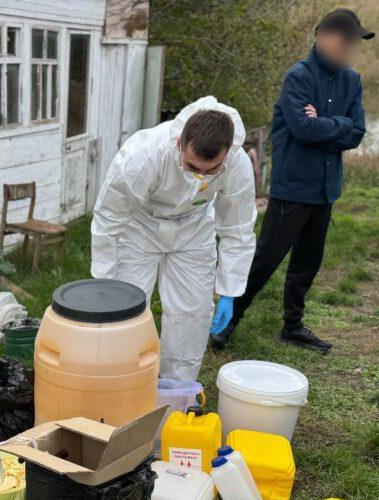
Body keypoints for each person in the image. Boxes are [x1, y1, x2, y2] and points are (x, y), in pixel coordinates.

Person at [211, 8, 373, 352]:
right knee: (265, 259)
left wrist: (328, 124)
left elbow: (356, 132)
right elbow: (302, 129)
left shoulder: (352, 81)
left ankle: (293, 326)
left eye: (353, 43)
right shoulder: (298, 77)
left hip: (326, 189)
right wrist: (337, 125)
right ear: (324, 37)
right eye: (345, 41)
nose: (349, 49)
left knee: (308, 262)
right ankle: (227, 321)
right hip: (293, 188)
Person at [91, 96, 256, 383]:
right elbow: (109, 218)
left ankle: (176, 393)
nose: (201, 177)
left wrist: (229, 289)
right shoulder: (143, 156)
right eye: (193, 167)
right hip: (140, 225)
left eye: (211, 170)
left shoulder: (237, 164)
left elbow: (237, 227)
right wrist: (104, 279)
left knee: (191, 314)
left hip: (193, 228)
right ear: (180, 142)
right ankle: (123, 383)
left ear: (227, 153)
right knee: (124, 307)